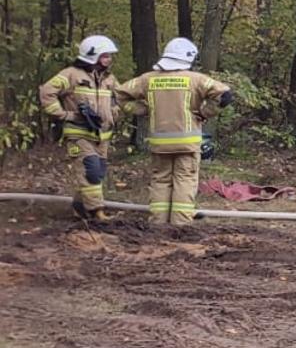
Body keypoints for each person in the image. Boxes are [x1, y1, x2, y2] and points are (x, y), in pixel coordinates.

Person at [115, 38, 235, 226]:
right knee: (185, 180)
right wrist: (205, 113)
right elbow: (226, 95)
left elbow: (120, 94)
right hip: (187, 143)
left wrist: (142, 109)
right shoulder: (196, 79)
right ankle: (180, 226)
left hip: (159, 144)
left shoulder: (147, 79)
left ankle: (158, 224)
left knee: (161, 181)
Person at [38, 35, 122, 222]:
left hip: (102, 136)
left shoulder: (109, 78)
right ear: (93, 55)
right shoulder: (71, 75)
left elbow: (120, 97)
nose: (110, 59)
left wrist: (113, 112)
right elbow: (47, 92)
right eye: (106, 55)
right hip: (79, 134)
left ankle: (80, 206)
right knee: (90, 170)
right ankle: (96, 211)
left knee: (97, 172)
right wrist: (64, 114)